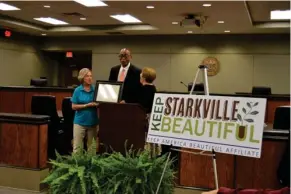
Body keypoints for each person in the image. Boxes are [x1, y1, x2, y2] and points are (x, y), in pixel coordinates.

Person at [71, 68, 98, 153]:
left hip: (93, 122)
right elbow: (73, 106)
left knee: (92, 149)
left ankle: (91, 166)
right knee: (77, 148)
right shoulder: (78, 90)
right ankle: (77, 166)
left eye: (91, 76)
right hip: (80, 122)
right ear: (82, 78)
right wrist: (87, 105)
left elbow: (101, 102)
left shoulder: (95, 89)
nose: (90, 78)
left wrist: (98, 104)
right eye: (87, 76)